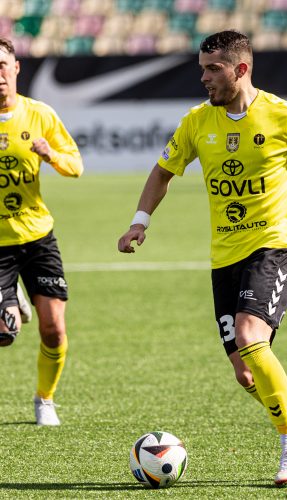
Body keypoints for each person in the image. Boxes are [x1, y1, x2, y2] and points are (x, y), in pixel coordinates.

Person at [118, 30, 287, 486]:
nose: (203, 78)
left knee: (249, 334)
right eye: (201, 68)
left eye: (212, 69)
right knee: (246, 371)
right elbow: (163, 171)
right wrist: (141, 219)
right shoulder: (197, 122)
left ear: (241, 69)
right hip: (225, 255)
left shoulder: (285, 115)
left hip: (275, 245)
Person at [0, 38, 83, 426]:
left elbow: (75, 165)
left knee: (53, 329)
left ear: (16, 69)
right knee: (5, 333)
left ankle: (45, 399)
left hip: (36, 236)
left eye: (3, 65)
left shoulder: (40, 115)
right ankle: (11, 298)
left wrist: (50, 155)